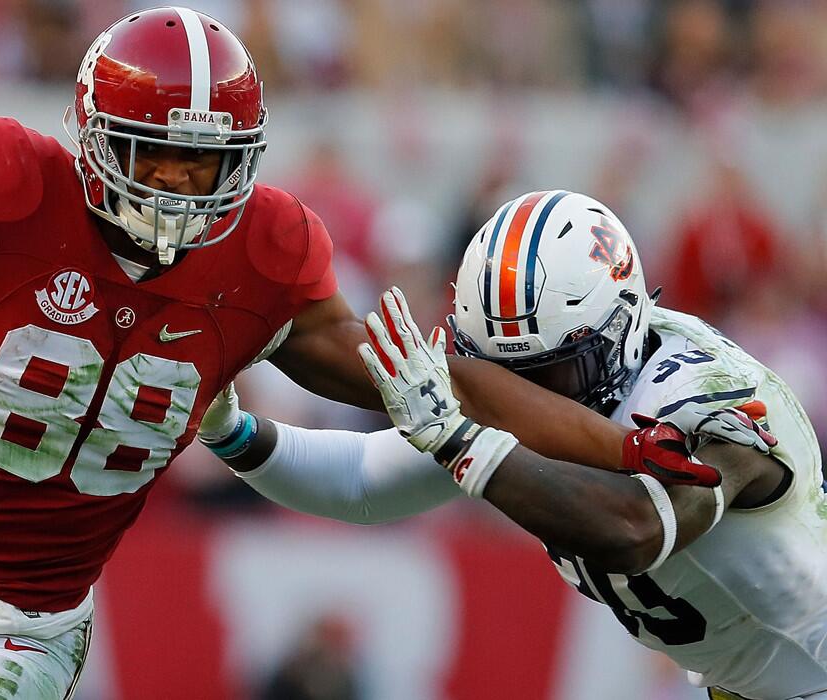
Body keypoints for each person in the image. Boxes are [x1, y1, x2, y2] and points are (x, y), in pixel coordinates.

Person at [0, 9, 685, 696]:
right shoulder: (0, 184)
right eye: (155, 152)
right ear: (90, 132)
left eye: (205, 163)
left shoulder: (266, 259)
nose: (177, 186)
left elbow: (439, 379)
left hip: (19, 628)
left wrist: (624, 443)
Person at [203, 190, 825, 700]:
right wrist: (230, 431)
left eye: (549, 373)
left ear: (619, 334)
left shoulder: (713, 395)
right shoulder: (547, 398)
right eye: (500, 372)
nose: (524, 396)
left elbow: (638, 528)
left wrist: (461, 441)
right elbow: (365, 481)